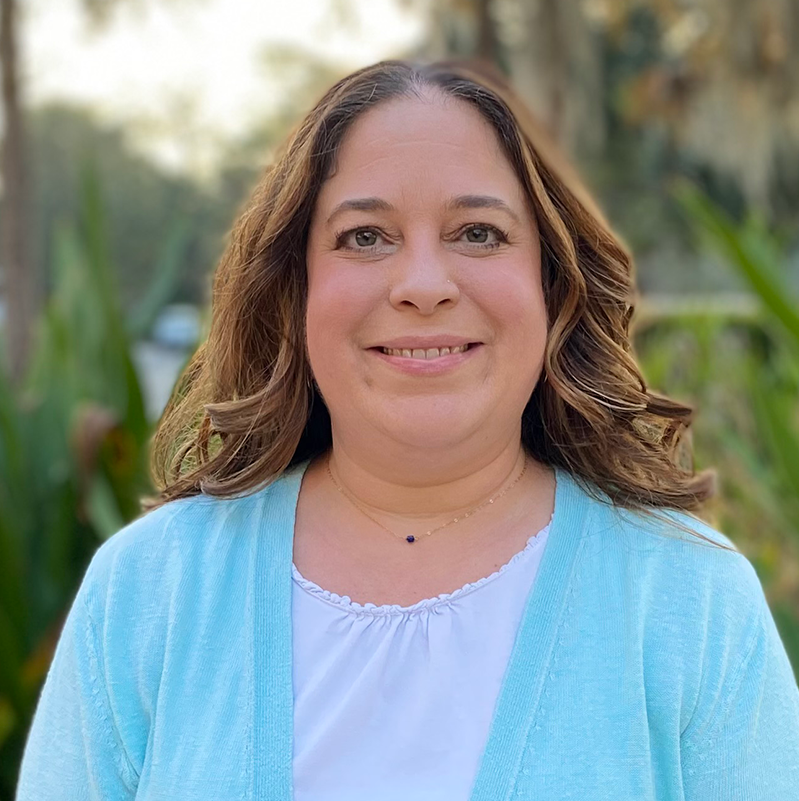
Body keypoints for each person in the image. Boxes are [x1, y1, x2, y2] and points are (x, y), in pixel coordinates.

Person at [15, 58, 799, 800]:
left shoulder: (686, 598)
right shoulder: (149, 589)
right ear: (295, 290)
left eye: (478, 233)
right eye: (365, 236)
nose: (422, 284)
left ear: (551, 287)